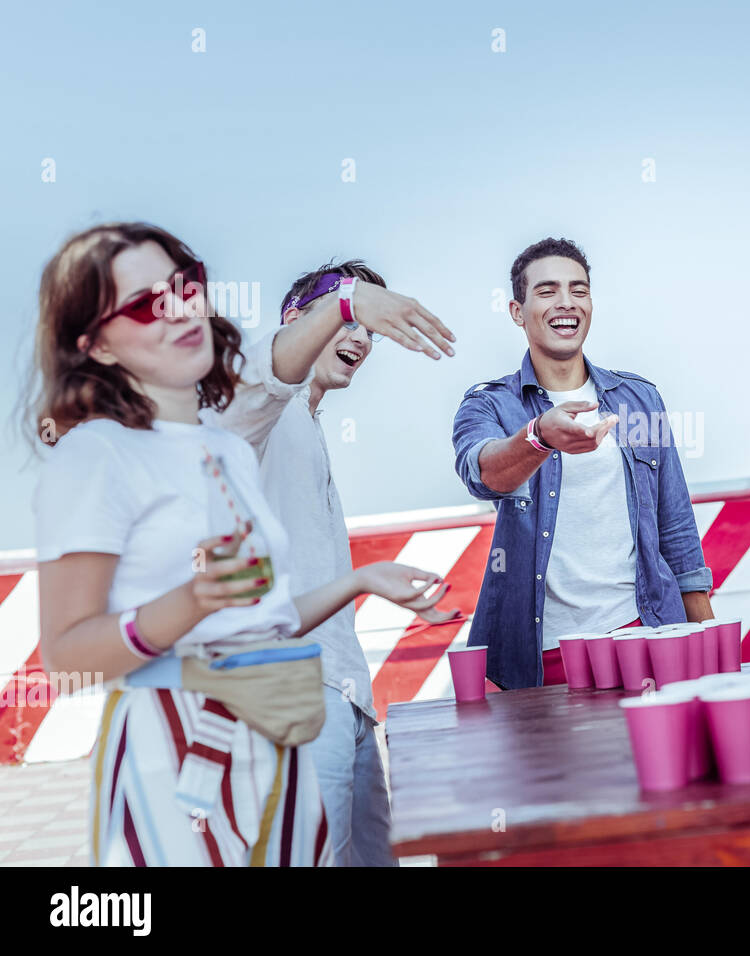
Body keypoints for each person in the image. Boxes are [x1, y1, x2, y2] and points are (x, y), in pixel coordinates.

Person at [31, 222, 449, 865]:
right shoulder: (119, 448)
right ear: (98, 346)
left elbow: (268, 616)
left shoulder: (223, 450)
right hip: (184, 742)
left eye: (188, 287)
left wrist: (362, 582)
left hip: (295, 711)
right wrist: (344, 303)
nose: (182, 309)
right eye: (147, 303)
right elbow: (68, 656)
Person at [265, 259, 461, 867]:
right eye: (347, 319)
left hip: (348, 694)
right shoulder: (260, 411)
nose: (360, 338)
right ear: (296, 320)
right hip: (296, 694)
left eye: (369, 330)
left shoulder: (308, 423)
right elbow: (268, 366)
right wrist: (349, 303)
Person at [452, 237, 713, 690]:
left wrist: (707, 644)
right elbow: (483, 473)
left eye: (579, 289)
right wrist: (539, 438)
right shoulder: (489, 406)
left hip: (643, 632)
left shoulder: (638, 400)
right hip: (545, 652)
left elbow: (676, 527)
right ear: (518, 311)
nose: (566, 302)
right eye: (548, 290)